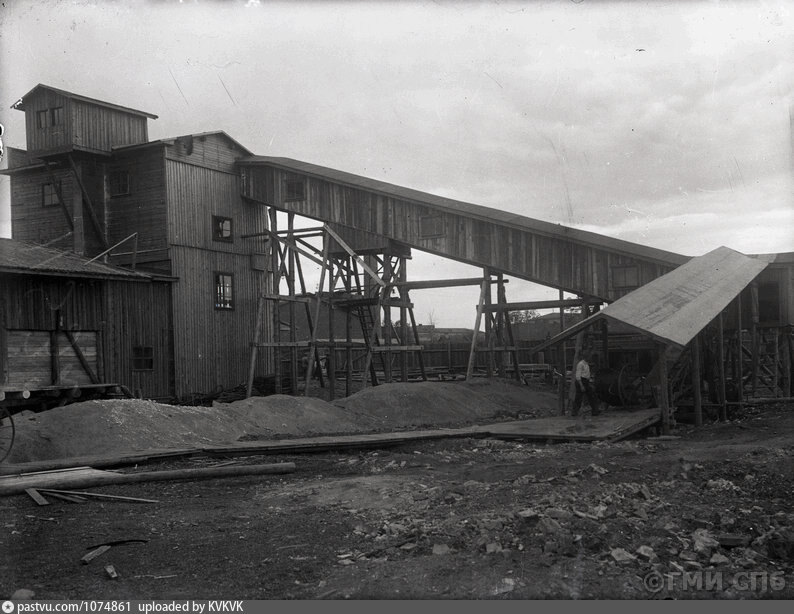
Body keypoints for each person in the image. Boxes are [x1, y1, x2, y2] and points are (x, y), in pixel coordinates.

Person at [572, 352, 601, 417]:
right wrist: (581, 385)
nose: (590, 358)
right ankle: (574, 412)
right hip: (581, 381)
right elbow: (578, 376)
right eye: (589, 357)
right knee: (578, 398)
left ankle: (595, 411)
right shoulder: (580, 364)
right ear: (585, 357)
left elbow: (587, 375)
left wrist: (589, 381)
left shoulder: (586, 364)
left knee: (592, 395)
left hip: (586, 381)